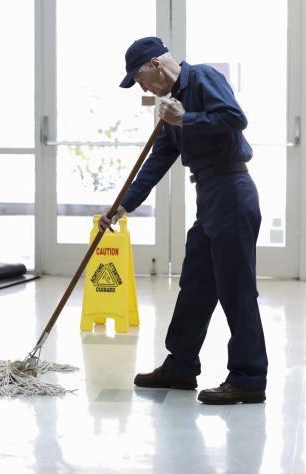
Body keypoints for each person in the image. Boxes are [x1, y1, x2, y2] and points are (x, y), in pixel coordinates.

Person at [98, 37, 268, 404]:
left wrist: (186, 118)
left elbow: (235, 118)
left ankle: (248, 379)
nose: (141, 87)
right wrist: (122, 206)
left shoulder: (202, 77)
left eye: (140, 78)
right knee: (195, 284)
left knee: (237, 290)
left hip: (232, 190)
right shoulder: (169, 107)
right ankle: (181, 366)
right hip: (208, 196)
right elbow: (158, 160)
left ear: (156, 65)